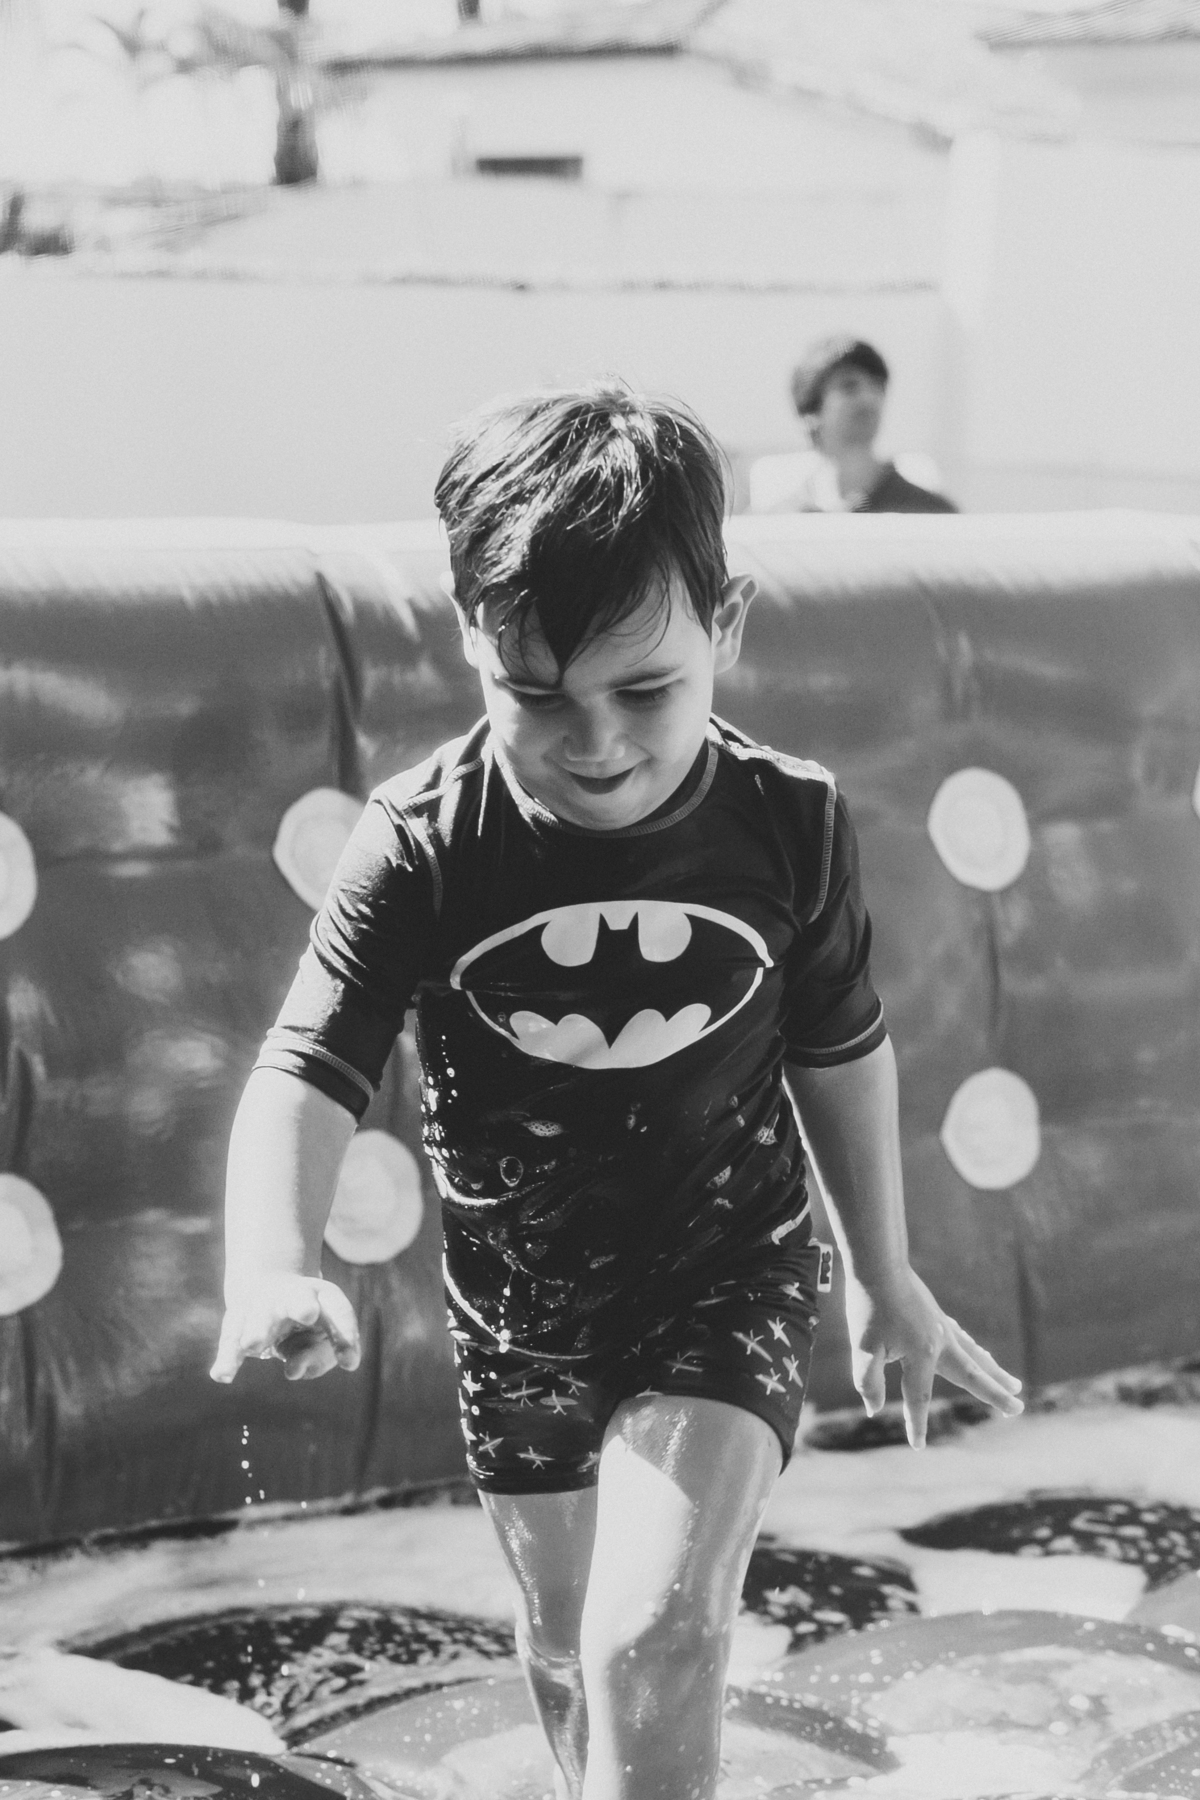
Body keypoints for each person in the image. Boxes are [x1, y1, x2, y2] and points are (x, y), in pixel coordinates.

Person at [210, 382, 1021, 1800]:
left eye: (646, 691)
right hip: (519, 1304)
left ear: (727, 626)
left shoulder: (786, 820)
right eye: (537, 696)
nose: (595, 743)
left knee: (651, 1636)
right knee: (564, 1647)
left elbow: (838, 1044)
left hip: (728, 1264)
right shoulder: (425, 843)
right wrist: (272, 1265)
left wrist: (883, 1273)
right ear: (471, 641)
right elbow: (306, 1068)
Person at [749, 335, 958, 516]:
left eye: (877, 386)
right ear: (812, 410)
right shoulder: (781, 519)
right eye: (849, 387)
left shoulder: (926, 511)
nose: (868, 398)